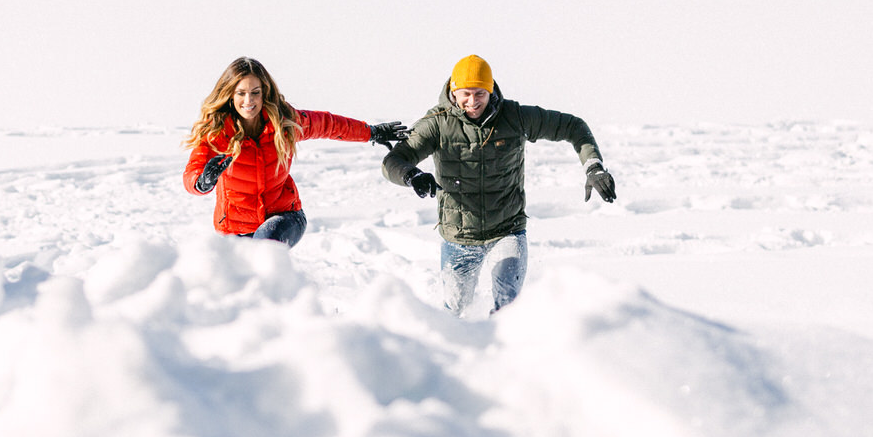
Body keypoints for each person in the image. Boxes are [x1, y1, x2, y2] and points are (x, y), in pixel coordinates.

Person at [382, 54, 617, 315]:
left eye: (480, 93)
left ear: (490, 90)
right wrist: (411, 175)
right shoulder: (437, 124)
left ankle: (504, 351)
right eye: (466, 94)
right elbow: (393, 160)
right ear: (454, 91)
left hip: (507, 229)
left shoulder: (515, 117)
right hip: (459, 236)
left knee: (508, 309)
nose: (473, 102)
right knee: (455, 313)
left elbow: (574, 126)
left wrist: (593, 166)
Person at [184, 57, 407, 246]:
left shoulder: (285, 123)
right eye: (241, 93)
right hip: (234, 230)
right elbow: (192, 171)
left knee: (263, 250)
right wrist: (202, 181)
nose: (249, 100)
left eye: (255, 92)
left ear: (265, 93)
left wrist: (371, 132)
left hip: (284, 218)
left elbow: (329, 124)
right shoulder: (216, 133)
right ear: (230, 95)